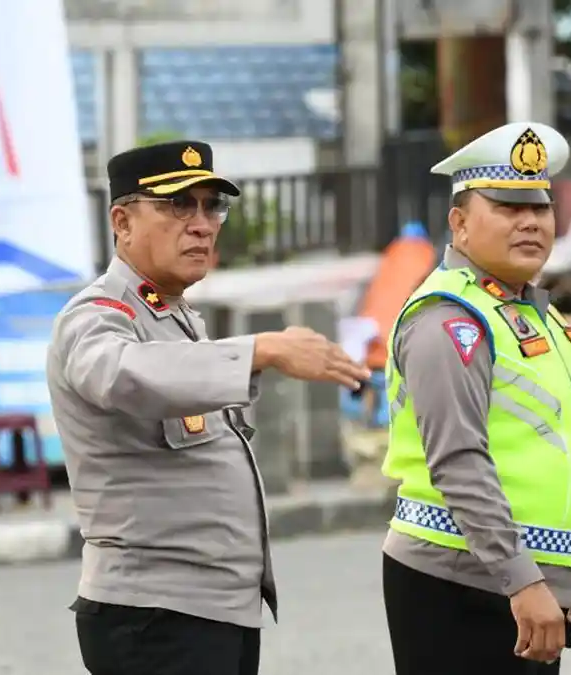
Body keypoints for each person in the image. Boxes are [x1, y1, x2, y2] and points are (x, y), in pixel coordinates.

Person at [46, 139, 370, 675]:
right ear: (122, 223)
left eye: (211, 205)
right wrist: (260, 350)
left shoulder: (177, 316)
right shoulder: (96, 315)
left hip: (213, 608)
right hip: (156, 613)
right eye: (178, 206)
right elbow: (121, 375)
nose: (202, 224)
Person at [380, 122, 571, 675]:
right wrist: (523, 579)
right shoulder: (450, 317)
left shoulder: (536, 314)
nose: (530, 221)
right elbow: (458, 461)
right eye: (507, 207)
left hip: (520, 578)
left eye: (540, 208)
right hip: (462, 581)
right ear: (459, 223)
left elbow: (561, 451)